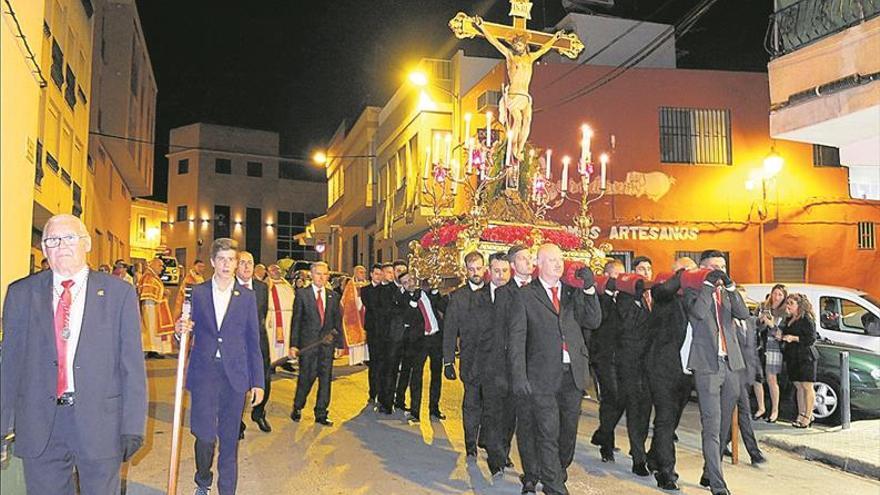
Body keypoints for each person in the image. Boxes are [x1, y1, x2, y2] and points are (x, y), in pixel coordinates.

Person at [1, 214, 147, 494]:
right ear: (44, 249)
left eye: (70, 238)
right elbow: (9, 365)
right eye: (53, 240)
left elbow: (132, 367)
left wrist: (133, 426)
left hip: (101, 422)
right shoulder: (21, 294)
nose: (62, 246)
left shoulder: (120, 294)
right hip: (40, 423)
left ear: (87, 244)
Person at [509, 244, 601, 495]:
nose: (558, 264)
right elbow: (517, 338)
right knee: (548, 430)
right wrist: (519, 376)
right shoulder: (526, 295)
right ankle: (554, 486)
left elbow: (593, 320)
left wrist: (590, 288)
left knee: (567, 433)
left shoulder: (573, 293)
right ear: (538, 263)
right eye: (551, 260)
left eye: (560, 259)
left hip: (573, 374)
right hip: (541, 376)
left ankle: (556, 471)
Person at [176, 238, 265, 495]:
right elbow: (184, 329)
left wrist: (257, 381)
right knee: (204, 436)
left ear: (237, 264)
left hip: (235, 377)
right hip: (204, 373)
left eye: (231, 260)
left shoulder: (247, 297)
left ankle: (227, 490)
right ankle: (203, 480)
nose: (227, 265)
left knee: (229, 440)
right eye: (222, 259)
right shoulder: (198, 292)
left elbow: (252, 341)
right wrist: (181, 332)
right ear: (213, 262)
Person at [684, 250, 749, 495]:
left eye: (722, 267)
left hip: (731, 364)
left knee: (723, 427)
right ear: (702, 269)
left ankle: (709, 470)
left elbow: (743, 314)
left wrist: (730, 288)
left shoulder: (728, 294)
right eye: (713, 267)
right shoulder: (693, 292)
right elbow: (697, 315)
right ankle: (718, 484)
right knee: (711, 424)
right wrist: (708, 286)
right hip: (707, 365)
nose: (719, 271)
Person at [473, 16, 563, 161]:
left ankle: (520, 149)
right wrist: (483, 27)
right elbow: (495, 43)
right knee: (518, 119)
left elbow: (544, 49)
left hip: (525, 96)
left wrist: (555, 39)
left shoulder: (530, 58)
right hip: (514, 95)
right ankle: (513, 146)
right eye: (516, 45)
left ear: (525, 45)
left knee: (527, 120)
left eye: (520, 45)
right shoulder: (511, 57)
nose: (518, 47)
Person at [644, 257, 698, 491]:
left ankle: (654, 456)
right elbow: (664, 291)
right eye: (687, 273)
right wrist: (682, 276)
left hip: (687, 369)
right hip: (662, 368)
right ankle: (666, 472)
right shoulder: (663, 293)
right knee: (666, 418)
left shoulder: (695, 297)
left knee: (672, 419)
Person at [443, 251, 488, 458]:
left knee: (491, 404)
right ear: (465, 271)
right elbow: (450, 330)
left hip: (492, 359)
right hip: (470, 359)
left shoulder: (493, 293)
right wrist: (448, 362)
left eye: (479, 268)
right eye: (471, 269)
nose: (476, 272)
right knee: (471, 402)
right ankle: (470, 444)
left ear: (485, 268)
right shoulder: (458, 297)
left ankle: (487, 441)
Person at [612, 255, 654, 477]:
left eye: (648, 269)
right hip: (630, 363)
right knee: (635, 409)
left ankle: (608, 434)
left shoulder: (657, 296)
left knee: (646, 411)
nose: (645, 273)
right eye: (640, 269)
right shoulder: (625, 298)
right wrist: (637, 295)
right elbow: (628, 325)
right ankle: (639, 458)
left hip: (652, 364)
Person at [289, 262, 344, 426]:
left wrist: (340, 344)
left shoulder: (333, 296)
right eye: (318, 274)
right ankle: (298, 406)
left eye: (325, 274)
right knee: (306, 378)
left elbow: (337, 322)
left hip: (327, 346)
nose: (321, 277)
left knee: (325, 380)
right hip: (308, 346)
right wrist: (293, 345)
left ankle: (321, 413)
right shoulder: (302, 295)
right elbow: (296, 321)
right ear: (311, 275)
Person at [506, 245, 542, 493]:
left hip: (545, 365)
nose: (528, 261)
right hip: (518, 365)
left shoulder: (544, 288)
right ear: (512, 264)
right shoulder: (506, 291)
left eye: (531, 257)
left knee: (547, 424)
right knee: (523, 422)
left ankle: (546, 469)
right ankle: (530, 472)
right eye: (522, 258)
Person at [475, 252, 514, 477]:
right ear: (489, 271)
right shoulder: (478, 297)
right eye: (496, 271)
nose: (500, 276)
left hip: (513, 365)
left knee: (510, 414)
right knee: (492, 410)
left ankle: (504, 450)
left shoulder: (517, 296)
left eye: (504, 271)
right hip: (489, 365)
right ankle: (496, 456)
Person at [394, 270, 446, 423]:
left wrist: (435, 290)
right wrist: (413, 301)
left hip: (435, 337)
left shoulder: (425, 292)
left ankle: (434, 409)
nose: (409, 283)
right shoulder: (403, 299)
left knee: (436, 374)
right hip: (419, 341)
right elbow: (407, 318)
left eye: (410, 279)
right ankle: (415, 411)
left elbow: (441, 306)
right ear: (401, 286)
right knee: (416, 375)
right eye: (405, 282)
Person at [763, 293, 818, 428]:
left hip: (805, 356)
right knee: (798, 386)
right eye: (788, 303)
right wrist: (780, 335)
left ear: (799, 306)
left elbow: (811, 338)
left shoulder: (806, 319)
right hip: (792, 356)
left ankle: (808, 415)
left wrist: (794, 338)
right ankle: (801, 413)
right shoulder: (789, 319)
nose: (788, 306)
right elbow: (784, 334)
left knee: (807, 386)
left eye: (791, 304)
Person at [589, 259, 625, 463]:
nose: (619, 280)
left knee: (622, 399)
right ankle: (607, 445)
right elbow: (598, 321)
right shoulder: (599, 296)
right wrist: (609, 293)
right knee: (611, 397)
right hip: (603, 357)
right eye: (615, 276)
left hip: (621, 356)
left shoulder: (625, 296)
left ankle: (603, 432)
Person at [235, 252, 272, 436]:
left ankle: (258, 413)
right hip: (235, 345)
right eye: (242, 263)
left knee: (264, 380)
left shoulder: (262, 288)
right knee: (236, 385)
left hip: (258, 343)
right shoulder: (228, 287)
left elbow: (262, 315)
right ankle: (236, 422)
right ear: (235, 266)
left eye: (250, 263)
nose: (247, 266)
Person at [724, 311, 767, 464]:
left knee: (736, 414)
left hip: (746, 373)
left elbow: (752, 350)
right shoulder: (726, 322)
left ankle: (722, 443)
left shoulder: (749, 322)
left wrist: (756, 372)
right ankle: (754, 453)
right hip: (733, 374)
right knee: (744, 413)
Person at [755, 284, 787, 423]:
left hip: (774, 347)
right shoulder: (763, 306)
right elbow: (754, 325)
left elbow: (781, 334)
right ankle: (761, 408)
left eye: (780, 294)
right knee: (757, 378)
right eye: (775, 293)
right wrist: (761, 321)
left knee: (771, 379)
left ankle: (774, 410)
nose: (776, 297)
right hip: (759, 346)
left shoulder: (785, 312)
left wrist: (771, 324)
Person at [360, 263, 389, 404]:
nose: (379, 276)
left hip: (385, 331)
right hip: (373, 331)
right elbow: (372, 305)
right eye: (376, 274)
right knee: (374, 362)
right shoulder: (365, 290)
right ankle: (373, 393)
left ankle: (384, 393)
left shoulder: (385, 289)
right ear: (371, 274)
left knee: (384, 363)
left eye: (380, 274)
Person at [139, 257, 174, 358]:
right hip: (150, 307)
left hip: (155, 306)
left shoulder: (153, 276)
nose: (161, 268)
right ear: (153, 265)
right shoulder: (149, 276)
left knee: (153, 328)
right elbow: (148, 292)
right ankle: (151, 349)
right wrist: (163, 292)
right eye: (160, 265)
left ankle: (154, 349)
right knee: (151, 328)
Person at [266, 263, 295, 366]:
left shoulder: (286, 283)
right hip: (274, 317)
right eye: (273, 270)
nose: (277, 272)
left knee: (287, 340)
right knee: (273, 342)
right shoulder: (267, 283)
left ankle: (285, 361)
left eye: (278, 270)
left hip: (288, 316)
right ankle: (273, 362)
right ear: (268, 272)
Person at [341, 265, 369, 366]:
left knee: (365, 336)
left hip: (365, 312)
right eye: (361, 272)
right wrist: (358, 299)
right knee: (356, 335)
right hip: (354, 312)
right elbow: (346, 300)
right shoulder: (350, 284)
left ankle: (365, 357)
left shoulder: (367, 283)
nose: (363, 274)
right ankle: (356, 359)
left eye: (364, 272)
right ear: (355, 273)